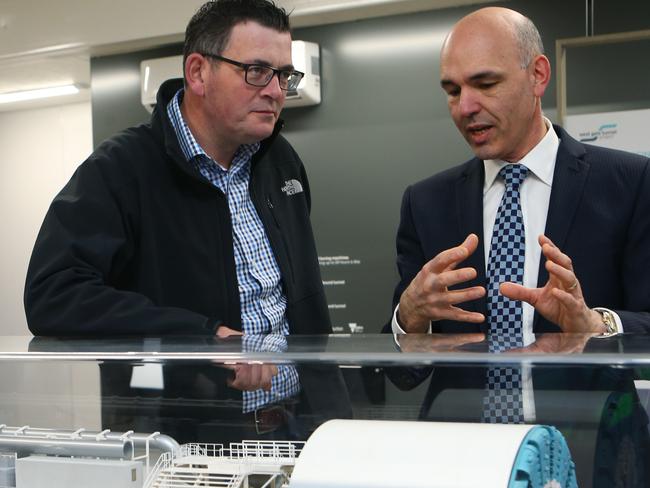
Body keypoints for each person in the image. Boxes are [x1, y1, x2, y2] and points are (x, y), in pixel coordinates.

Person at [24, 0, 345, 443]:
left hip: (302, 429)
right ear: (198, 73)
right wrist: (203, 336)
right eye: (256, 71)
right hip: (189, 437)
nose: (275, 90)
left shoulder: (281, 162)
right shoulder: (121, 169)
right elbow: (53, 296)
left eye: (284, 75)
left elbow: (303, 305)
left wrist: (334, 414)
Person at [384, 7, 650, 486]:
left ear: (538, 76)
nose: (465, 106)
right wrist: (410, 315)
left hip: (590, 455)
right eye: (452, 90)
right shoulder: (426, 202)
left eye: (485, 84)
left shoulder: (629, 182)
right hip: (459, 462)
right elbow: (403, 372)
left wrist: (595, 324)